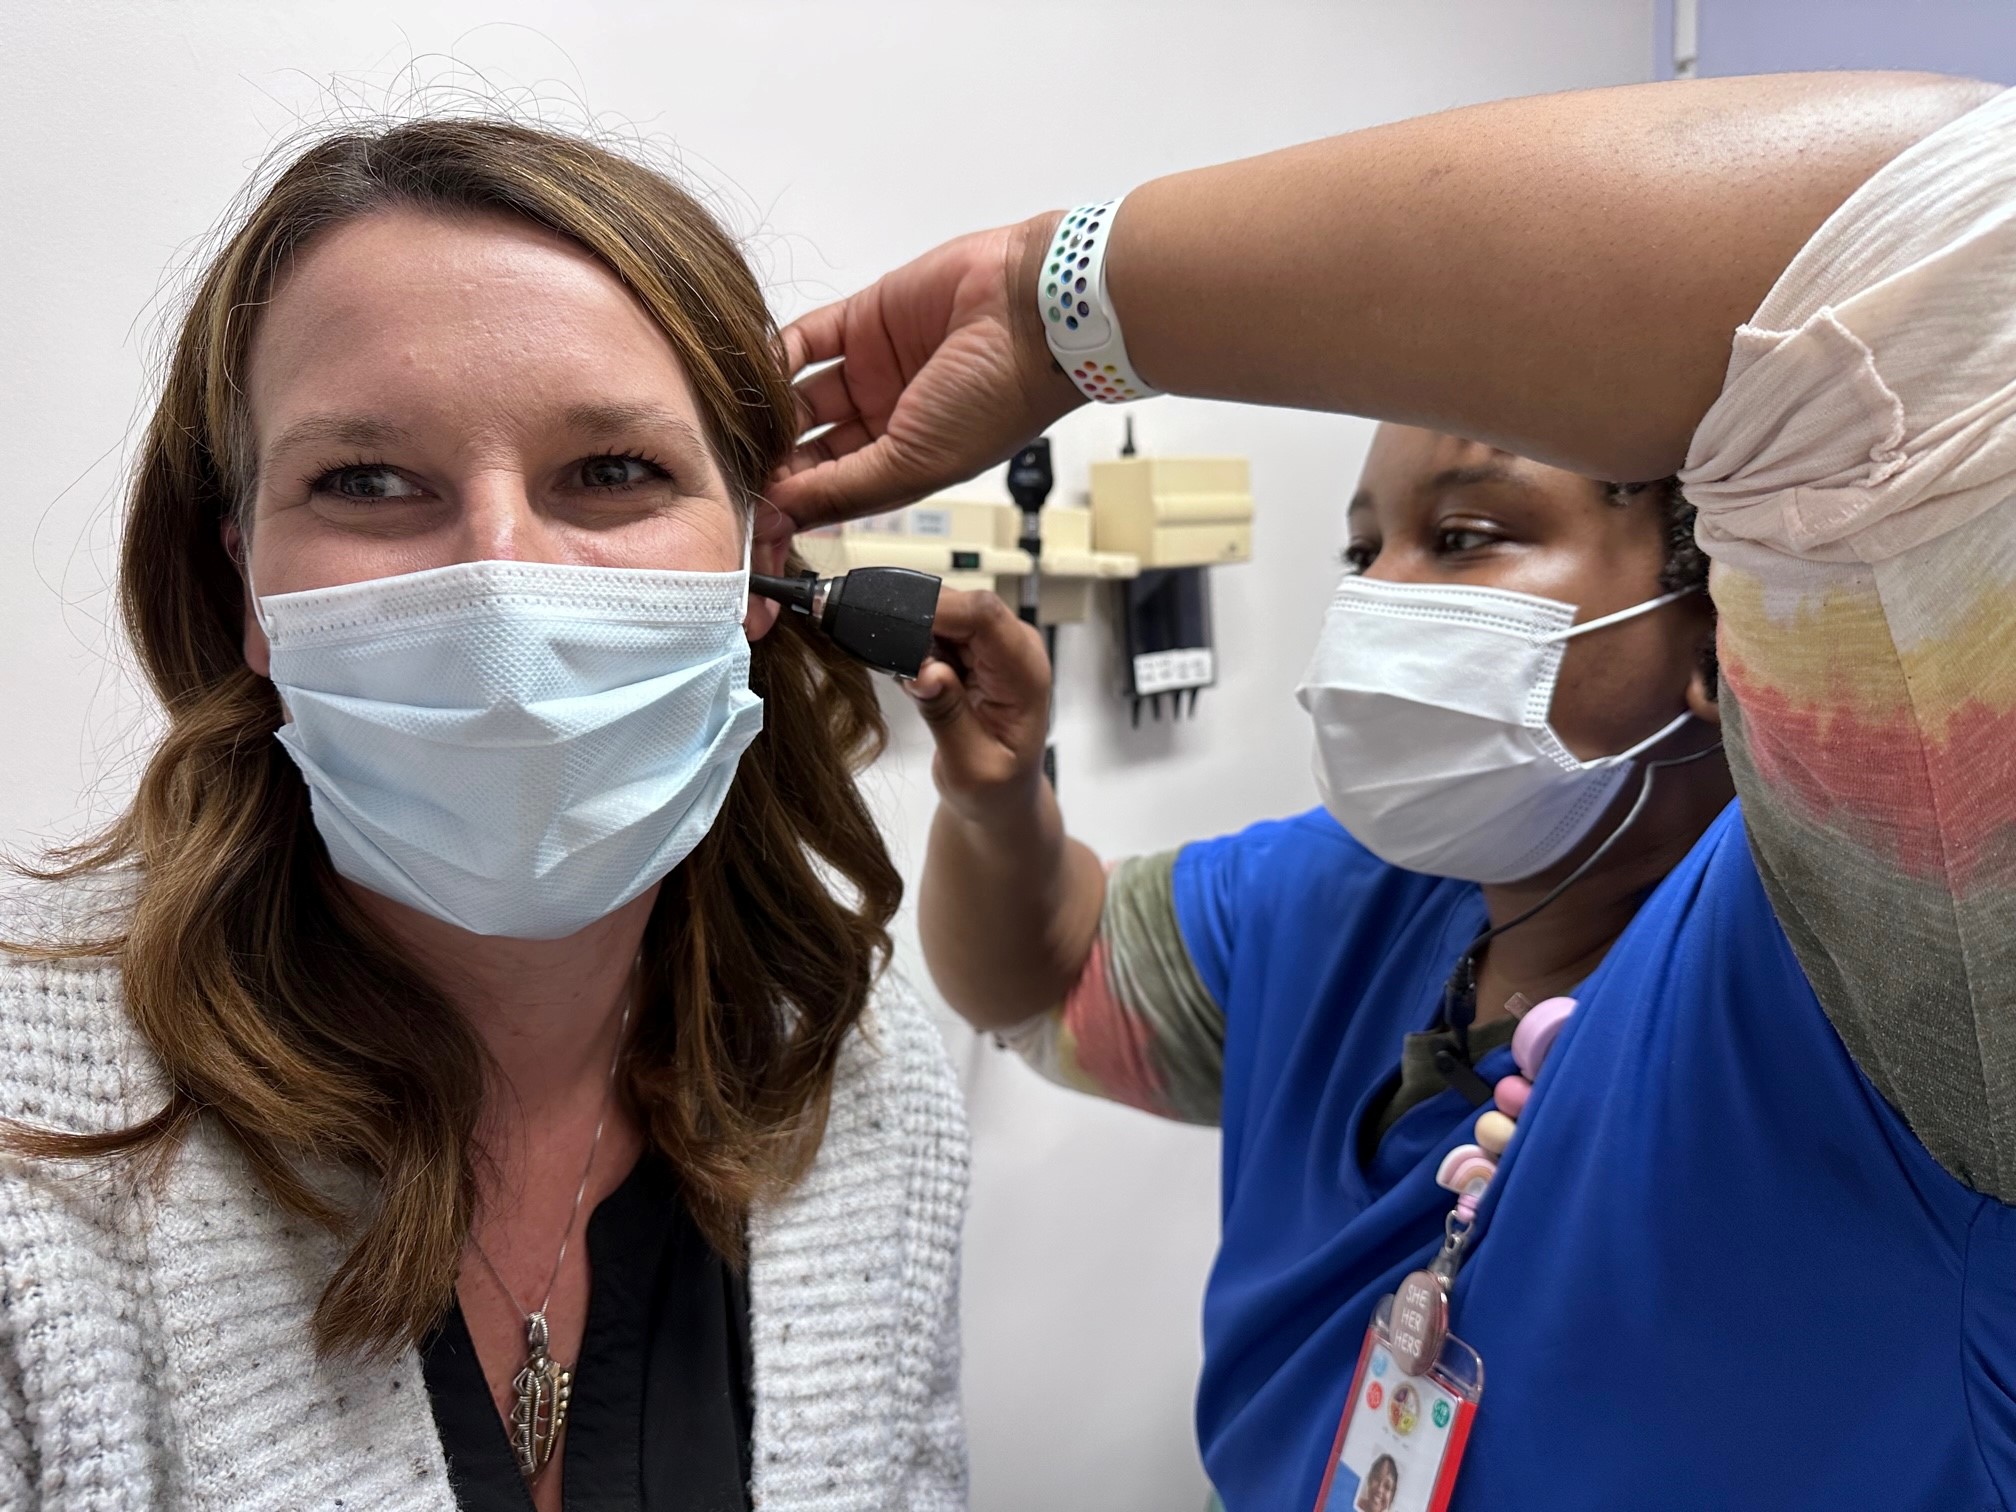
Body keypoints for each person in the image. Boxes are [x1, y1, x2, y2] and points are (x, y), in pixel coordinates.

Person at [770, 72, 2016, 1510]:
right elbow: (1044, 984)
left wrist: (1056, 301)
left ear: (1715, 626)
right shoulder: (1353, 901)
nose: (1381, 600)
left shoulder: (1891, 964)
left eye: (1469, 536)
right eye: (1365, 552)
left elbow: (1960, 231)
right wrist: (997, 803)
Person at [0, 119, 967, 1512]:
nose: (501, 590)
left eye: (614, 471)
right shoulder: (30, 1144)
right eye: (367, 482)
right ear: (247, 587)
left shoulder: (863, 1079)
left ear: (757, 563)